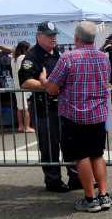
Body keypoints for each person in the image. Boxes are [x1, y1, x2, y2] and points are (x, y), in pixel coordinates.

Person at [42, 21, 112, 213]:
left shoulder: (68, 58)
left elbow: (52, 89)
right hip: (98, 114)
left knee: (81, 157)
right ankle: (104, 195)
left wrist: (43, 80)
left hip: (75, 115)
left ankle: (90, 198)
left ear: (76, 38)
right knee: (97, 154)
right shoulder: (103, 57)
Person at [19, 22, 80, 192]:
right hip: (44, 108)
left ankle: (75, 178)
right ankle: (53, 181)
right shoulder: (32, 56)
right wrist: (47, 85)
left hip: (62, 107)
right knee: (49, 146)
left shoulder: (57, 53)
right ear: (39, 36)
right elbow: (25, 82)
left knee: (69, 144)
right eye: (49, 35)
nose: (53, 38)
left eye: (54, 35)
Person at [11, 41, 35, 133]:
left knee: (19, 107)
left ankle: (20, 126)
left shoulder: (13, 59)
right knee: (25, 107)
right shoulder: (24, 58)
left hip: (16, 85)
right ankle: (27, 127)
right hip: (23, 84)